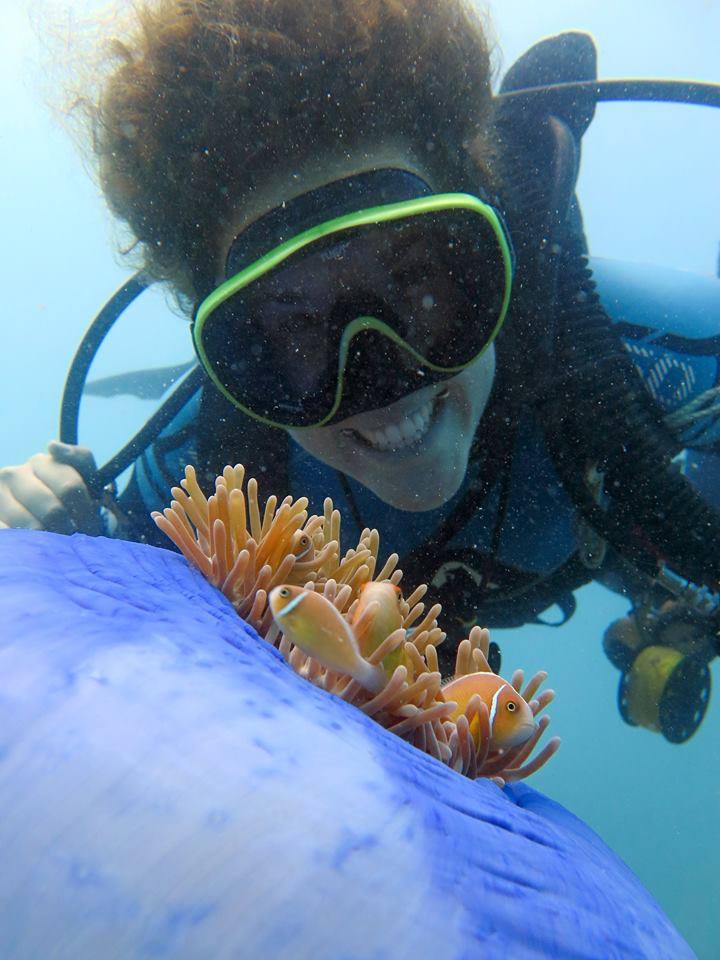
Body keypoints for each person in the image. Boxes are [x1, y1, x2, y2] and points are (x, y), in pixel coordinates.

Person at [1, 1, 719, 736]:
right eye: (297, 327)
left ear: (484, 243)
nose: (381, 383)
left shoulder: (635, 356)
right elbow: (118, 591)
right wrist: (42, 542)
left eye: (415, 281)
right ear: (237, 356)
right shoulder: (209, 474)